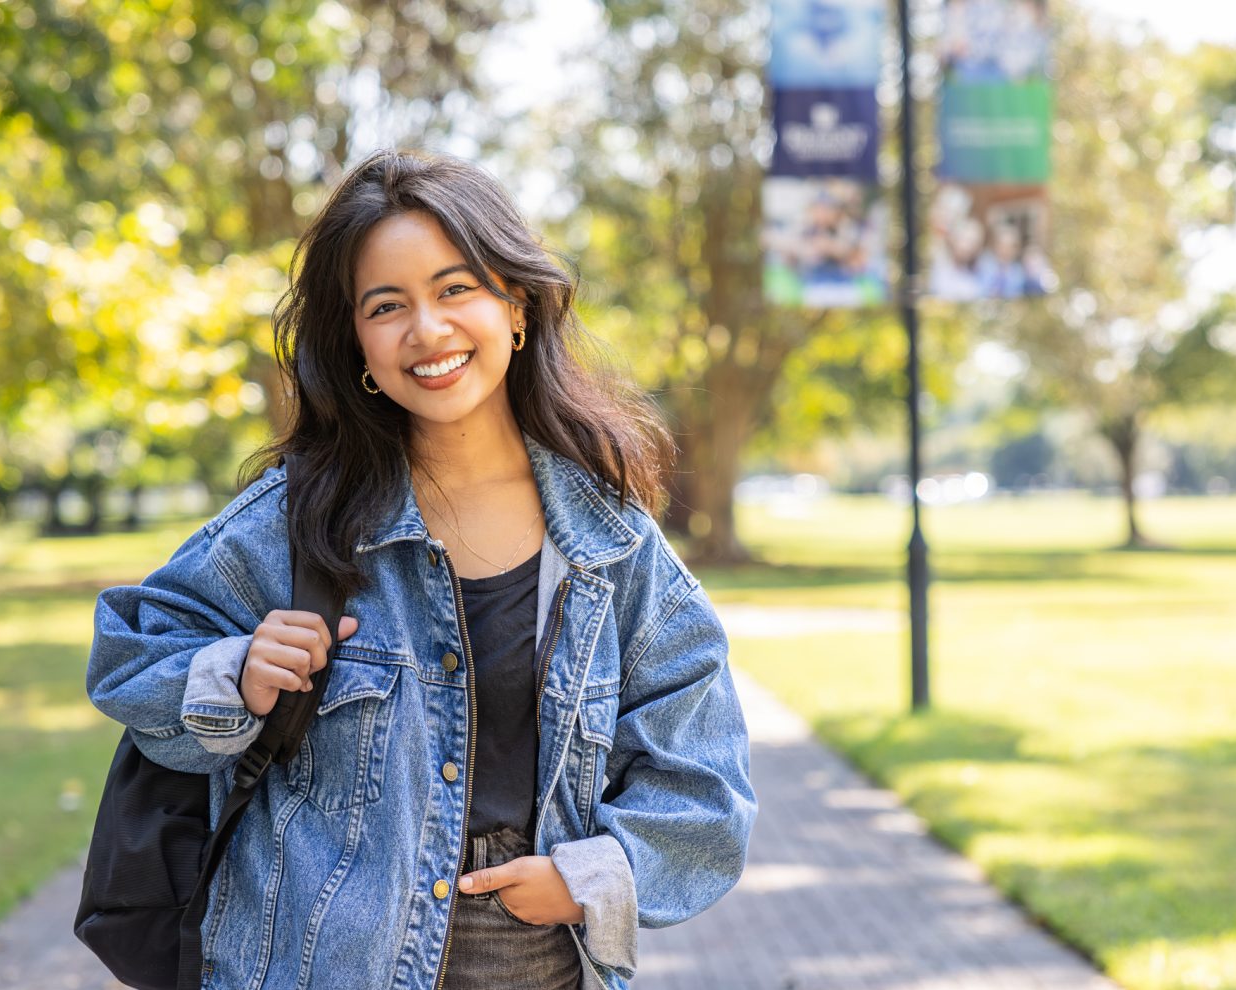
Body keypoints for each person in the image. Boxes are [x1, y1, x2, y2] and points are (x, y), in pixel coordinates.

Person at [86, 149, 756, 990]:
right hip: (317, 958)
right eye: (387, 306)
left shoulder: (608, 541)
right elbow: (127, 654)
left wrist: (585, 882)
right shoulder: (299, 521)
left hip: (531, 958)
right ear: (357, 342)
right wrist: (238, 674)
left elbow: (705, 781)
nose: (427, 331)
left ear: (515, 304)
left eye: (455, 289)